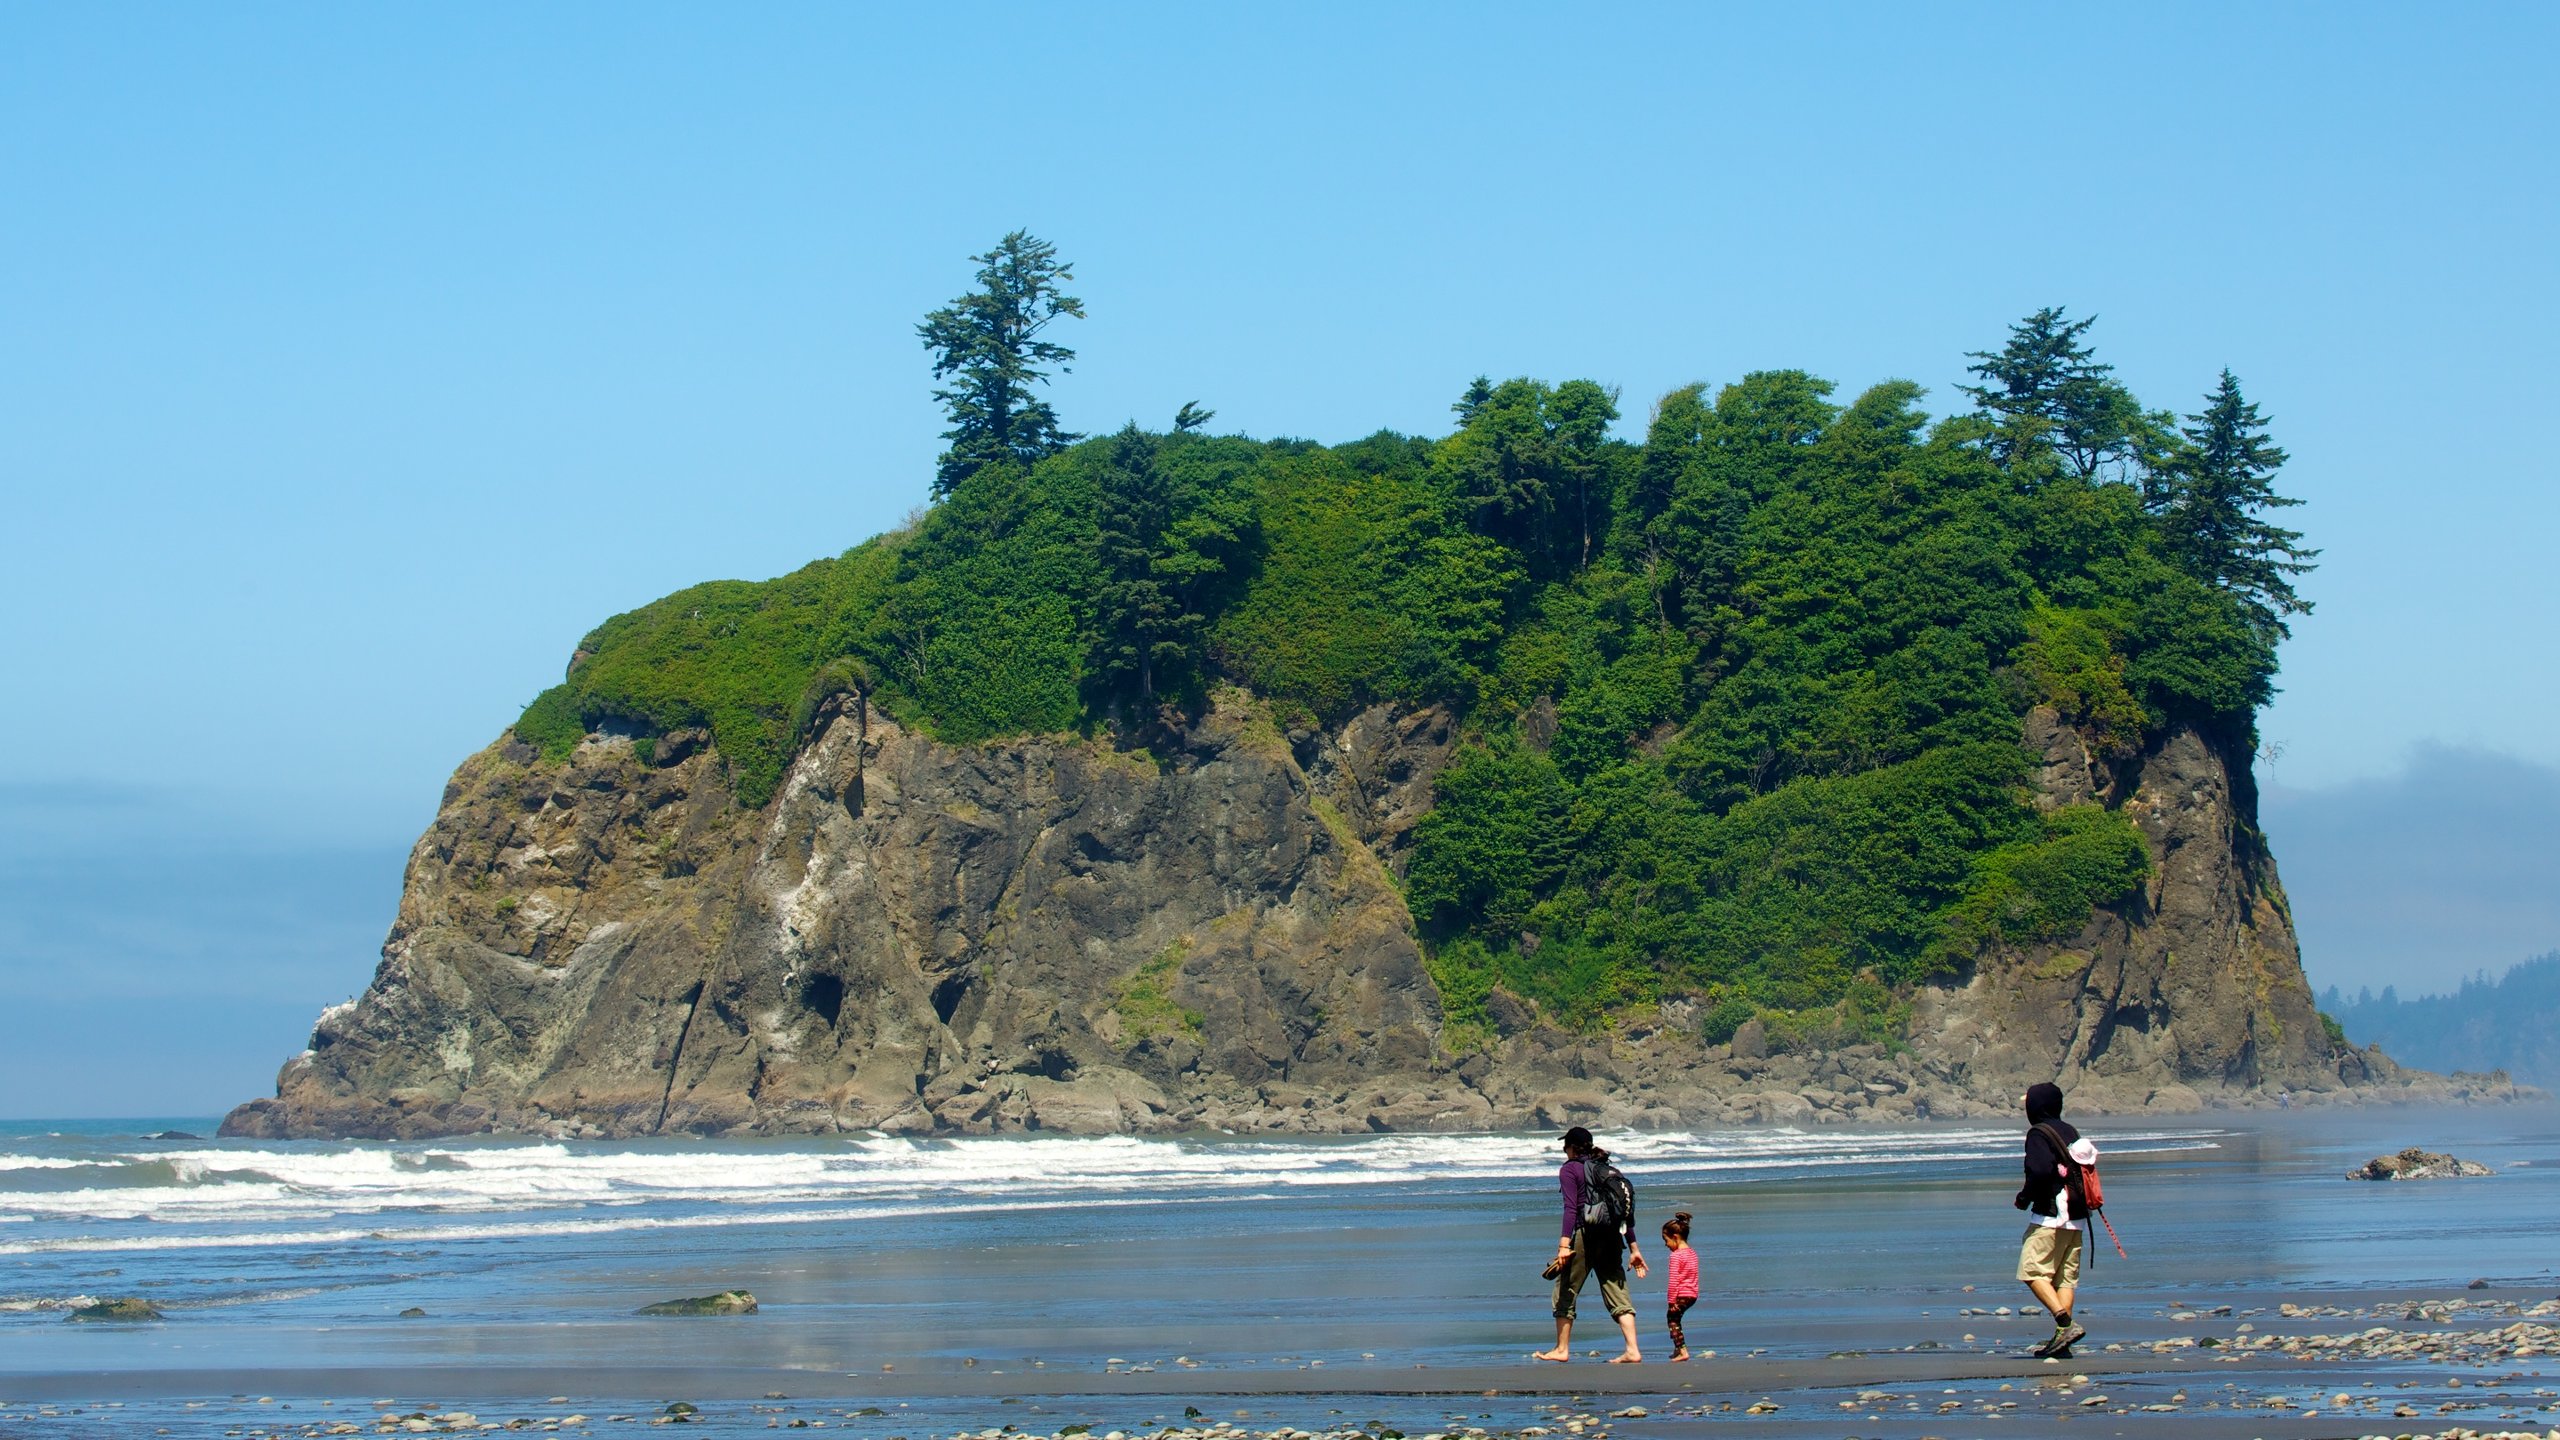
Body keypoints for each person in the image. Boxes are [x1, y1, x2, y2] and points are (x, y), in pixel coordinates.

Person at [1534, 1126, 1646, 1363]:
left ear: (1572, 1148)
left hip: (1585, 1235)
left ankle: (1561, 1349)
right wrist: (1634, 1248)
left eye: (1565, 1146)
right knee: (1617, 1291)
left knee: (1565, 1289)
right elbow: (1622, 1212)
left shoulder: (1569, 1170)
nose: (1564, 1150)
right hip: (1612, 1236)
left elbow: (1571, 1208)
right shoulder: (1606, 1168)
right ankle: (1633, 1349)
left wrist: (1564, 1245)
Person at [2013, 1081, 2090, 1358]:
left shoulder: (2038, 1133)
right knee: (2064, 1279)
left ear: (2036, 1106)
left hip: (2052, 1215)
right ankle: (2062, 1342)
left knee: (2031, 1271)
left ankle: (2065, 1323)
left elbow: (2041, 1172)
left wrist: (2024, 1198)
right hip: (2078, 1217)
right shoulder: (2070, 1130)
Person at [1661, 1211, 1699, 1361]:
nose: (1666, 1244)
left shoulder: (1676, 1256)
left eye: (1666, 1240)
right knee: (1676, 1319)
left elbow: (1674, 1280)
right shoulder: (1692, 1253)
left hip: (1682, 1294)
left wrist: (1671, 1301)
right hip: (1692, 1294)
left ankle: (1682, 1350)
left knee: (1672, 1318)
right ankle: (1678, 1349)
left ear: (1675, 1237)